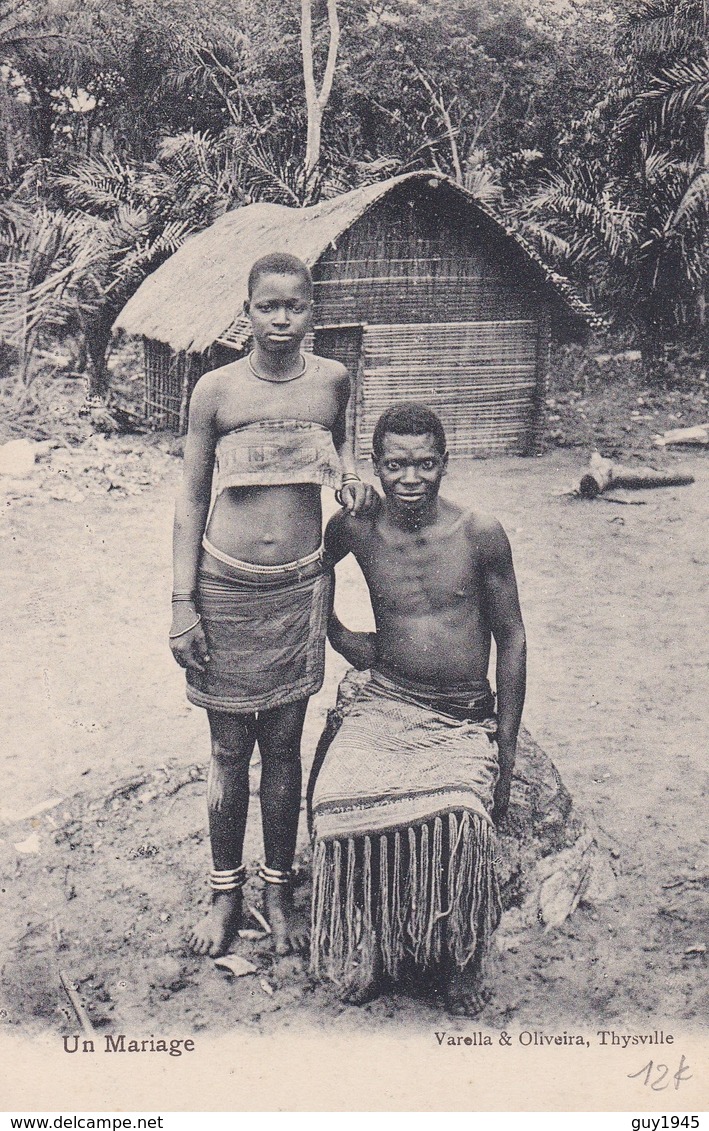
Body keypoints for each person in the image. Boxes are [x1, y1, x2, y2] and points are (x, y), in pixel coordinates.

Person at [169, 252, 374, 959]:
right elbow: (192, 497)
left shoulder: (333, 382)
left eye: (295, 306)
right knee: (228, 750)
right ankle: (225, 893)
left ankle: (278, 889)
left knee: (282, 747)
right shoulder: (216, 391)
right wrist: (181, 601)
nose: (281, 318)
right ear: (246, 311)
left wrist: (348, 477)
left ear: (313, 312)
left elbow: (340, 442)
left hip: (295, 588)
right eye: (267, 306)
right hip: (224, 588)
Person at [309, 402, 526, 1015]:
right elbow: (311, 575)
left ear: (445, 465)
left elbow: (511, 637)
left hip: (460, 713)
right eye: (397, 464)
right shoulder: (354, 529)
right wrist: (340, 637)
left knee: (458, 816)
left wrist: (504, 748)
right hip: (387, 700)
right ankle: (379, 949)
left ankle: (457, 959)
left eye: (425, 464)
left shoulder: (479, 532)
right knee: (336, 803)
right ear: (374, 467)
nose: (410, 478)